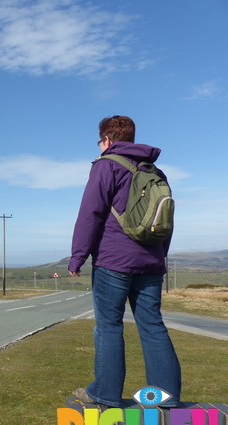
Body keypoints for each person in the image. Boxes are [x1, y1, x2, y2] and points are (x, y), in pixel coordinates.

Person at [68, 115, 181, 408]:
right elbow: (165, 220)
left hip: (113, 261)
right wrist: (160, 257)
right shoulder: (155, 171)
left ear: (106, 140)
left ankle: (104, 393)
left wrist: (78, 257)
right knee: (153, 325)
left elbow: (90, 214)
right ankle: (165, 398)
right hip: (151, 261)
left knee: (108, 326)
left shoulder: (106, 165)